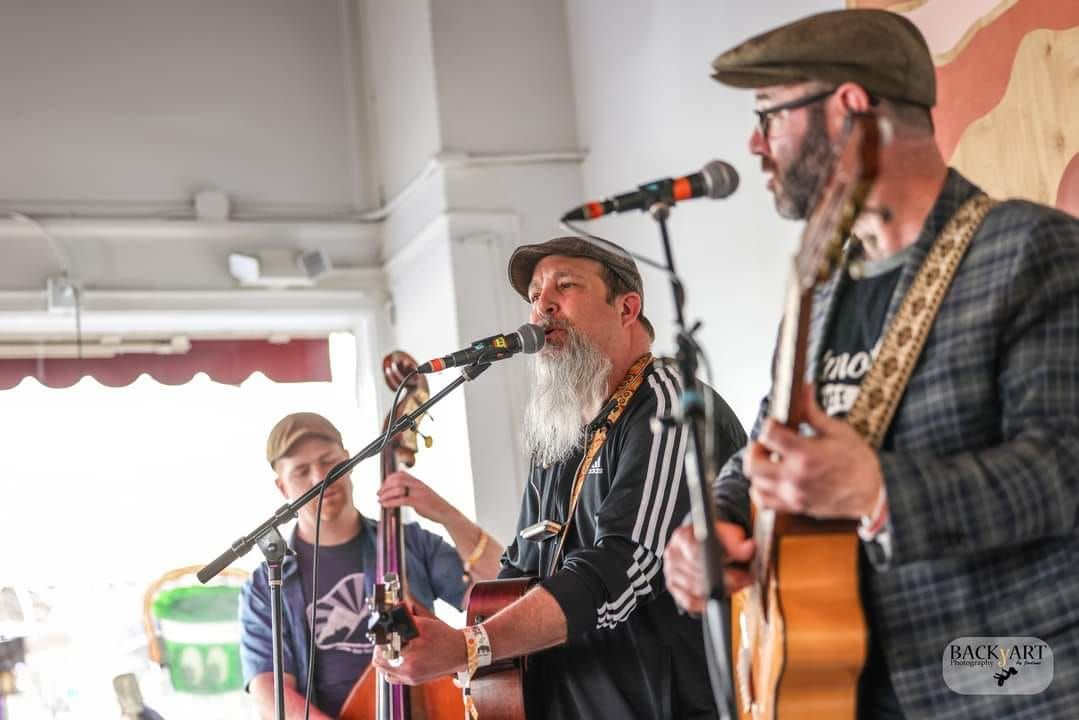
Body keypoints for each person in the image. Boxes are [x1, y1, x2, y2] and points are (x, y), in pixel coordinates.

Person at [663, 8, 1079, 719]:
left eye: (770, 114)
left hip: (1001, 683)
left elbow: (1062, 470)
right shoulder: (822, 288)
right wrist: (720, 521)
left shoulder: (1028, 251)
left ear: (851, 110)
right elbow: (769, 439)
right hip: (837, 688)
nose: (754, 144)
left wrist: (878, 491)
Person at [372, 236, 747, 719]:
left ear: (627, 308)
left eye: (564, 286)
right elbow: (517, 577)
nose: (542, 306)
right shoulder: (558, 433)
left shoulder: (667, 404)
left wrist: (472, 645)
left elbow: (619, 571)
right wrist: (451, 643)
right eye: (533, 296)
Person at [239, 412, 503, 719]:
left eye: (328, 461)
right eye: (301, 471)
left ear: (349, 461)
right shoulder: (266, 584)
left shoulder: (409, 543)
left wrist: (446, 514)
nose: (320, 478)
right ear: (282, 487)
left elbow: (501, 591)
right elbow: (270, 694)